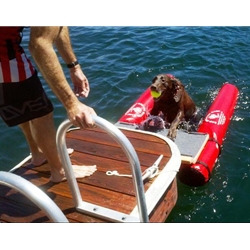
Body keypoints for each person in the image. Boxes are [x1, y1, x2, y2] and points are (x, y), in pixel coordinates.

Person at [0, 26, 97, 183]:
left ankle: (38, 154)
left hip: (7, 48)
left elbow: (58, 27)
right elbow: (39, 44)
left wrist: (74, 66)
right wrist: (72, 103)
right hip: (4, 55)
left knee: (24, 103)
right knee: (40, 112)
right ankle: (60, 170)